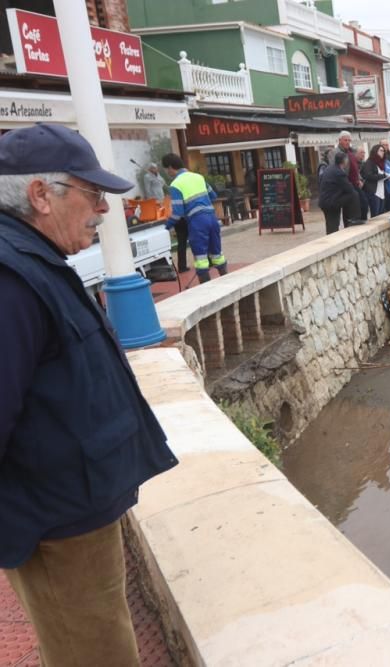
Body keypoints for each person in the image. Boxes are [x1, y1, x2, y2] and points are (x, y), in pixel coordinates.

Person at [0, 123, 177, 666]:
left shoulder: (34, 261)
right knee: (95, 653)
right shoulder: (10, 279)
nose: (103, 208)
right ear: (40, 196)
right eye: (92, 194)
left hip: (75, 507)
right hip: (55, 522)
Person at [161, 153, 228, 284]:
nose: (167, 172)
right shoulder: (199, 177)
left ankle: (206, 289)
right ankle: (227, 281)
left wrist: (167, 226)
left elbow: (178, 212)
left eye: (166, 169)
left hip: (197, 222)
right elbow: (213, 196)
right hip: (212, 218)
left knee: (201, 258)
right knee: (217, 254)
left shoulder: (175, 184)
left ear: (170, 167)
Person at [319, 151, 361, 234]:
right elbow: (349, 188)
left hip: (325, 201)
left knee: (331, 225)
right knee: (354, 194)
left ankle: (351, 219)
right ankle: (354, 219)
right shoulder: (339, 172)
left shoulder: (330, 168)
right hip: (331, 202)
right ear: (345, 161)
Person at [334, 131, 368, 221]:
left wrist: (359, 179)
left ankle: (361, 222)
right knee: (349, 208)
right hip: (345, 183)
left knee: (363, 204)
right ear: (340, 140)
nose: (348, 142)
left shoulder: (351, 151)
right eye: (345, 140)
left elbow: (355, 167)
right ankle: (351, 225)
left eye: (349, 140)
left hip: (355, 183)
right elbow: (335, 170)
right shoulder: (335, 152)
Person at [361, 144, 389, 217]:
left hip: (381, 191)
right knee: (375, 214)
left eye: (383, 151)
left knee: (381, 213)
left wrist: (387, 176)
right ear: (375, 151)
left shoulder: (381, 163)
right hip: (373, 192)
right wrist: (384, 176)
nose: (383, 152)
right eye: (381, 151)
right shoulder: (369, 162)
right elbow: (369, 175)